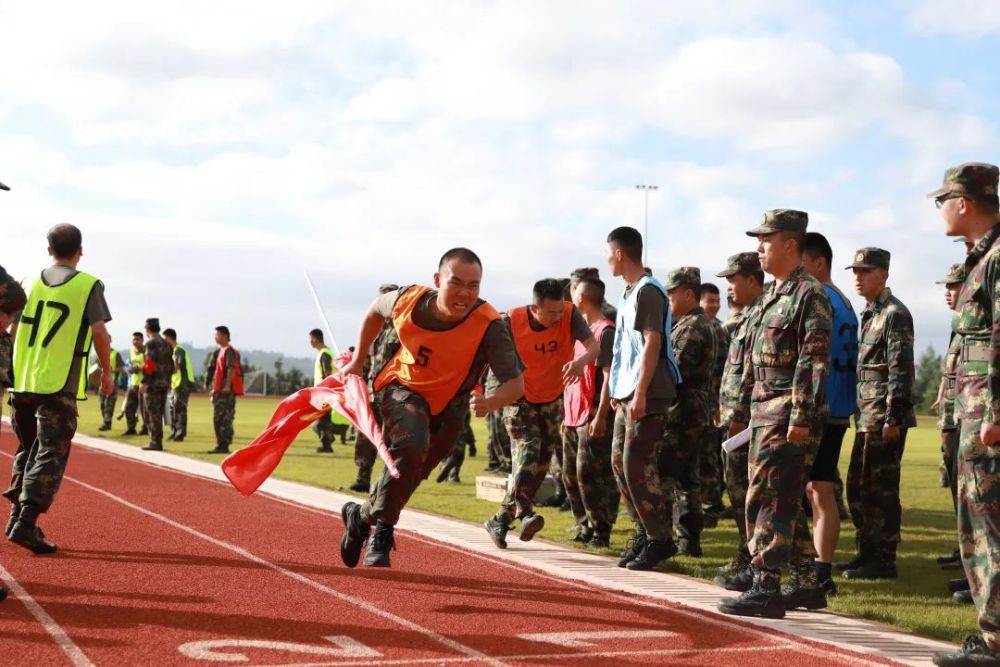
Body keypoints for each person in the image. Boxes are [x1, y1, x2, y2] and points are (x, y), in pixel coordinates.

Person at [339, 249, 524, 568]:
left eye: (474, 286)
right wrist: (357, 361)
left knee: (412, 472)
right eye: (456, 283)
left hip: (450, 405)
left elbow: (515, 384)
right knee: (410, 446)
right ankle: (384, 530)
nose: (465, 293)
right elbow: (374, 310)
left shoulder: (489, 324)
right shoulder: (407, 300)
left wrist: (490, 402)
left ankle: (361, 516)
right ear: (438, 281)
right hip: (401, 387)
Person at [718, 209, 831, 619]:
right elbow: (751, 358)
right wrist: (741, 407)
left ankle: (765, 584)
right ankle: (805, 582)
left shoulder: (809, 294)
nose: (759, 248)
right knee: (780, 495)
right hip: (764, 408)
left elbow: (813, 359)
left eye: (767, 240)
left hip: (787, 411)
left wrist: (800, 416)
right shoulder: (771, 294)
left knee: (769, 497)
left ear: (790, 244)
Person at [5, 224, 114, 554]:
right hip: (57, 382)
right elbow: (99, 333)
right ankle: (25, 522)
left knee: (28, 449)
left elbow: (9, 326)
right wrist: (107, 372)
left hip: (22, 379)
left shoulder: (27, 282)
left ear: (48, 250)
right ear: (80, 250)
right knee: (51, 453)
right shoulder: (87, 285)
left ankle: (15, 518)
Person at [929, 162, 1000, 667]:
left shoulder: (996, 258)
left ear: (964, 202)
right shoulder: (982, 258)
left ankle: (995, 641)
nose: (940, 210)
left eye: (943, 201)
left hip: (988, 419)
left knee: (985, 527)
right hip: (974, 414)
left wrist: (996, 412)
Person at [484, 278, 597, 546]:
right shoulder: (511, 321)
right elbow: (484, 358)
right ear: (535, 308)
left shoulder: (569, 315)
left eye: (560, 311)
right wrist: (484, 394)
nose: (557, 318)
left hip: (551, 397)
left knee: (541, 464)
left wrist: (581, 361)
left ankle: (500, 519)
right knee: (528, 449)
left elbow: (595, 346)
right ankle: (525, 513)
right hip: (518, 396)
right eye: (550, 314)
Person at [605, 227, 682, 572]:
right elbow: (626, 347)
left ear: (620, 253)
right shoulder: (628, 292)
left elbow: (653, 343)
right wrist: (617, 391)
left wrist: (639, 392)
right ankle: (644, 531)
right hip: (628, 390)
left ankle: (660, 539)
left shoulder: (649, 292)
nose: (607, 259)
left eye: (609, 252)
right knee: (620, 465)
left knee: (638, 464)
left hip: (649, 391)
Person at [837, 248, 915, 580]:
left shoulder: (895, 314)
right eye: (855, 271)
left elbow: (900, 369)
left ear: (883, 274)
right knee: (858, 486)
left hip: (884, 416)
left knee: (880, 489)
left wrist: (893, 417)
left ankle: (883, 559)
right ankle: (866, 550)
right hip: (867, 415)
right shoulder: (871, 313)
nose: (858, 277)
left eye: (865, 271)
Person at [801, 232, 859, 595]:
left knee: (817, 490)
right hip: (838, 404)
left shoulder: (822, 299)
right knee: (819, 489)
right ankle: (820, 568)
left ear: (818, 262)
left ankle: (818, 569)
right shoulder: (845, 301)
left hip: (822, 406)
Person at [714, 252, 765, 592]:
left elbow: (755, 373)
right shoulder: (747, 317)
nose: (729, 288)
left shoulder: (763, 315)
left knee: (752, 495)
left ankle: (756, 561)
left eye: (733, 280)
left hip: (750, 422)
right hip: (735, 420)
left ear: (751, 279)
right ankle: (746, 554)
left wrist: (740, 415)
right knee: (738, 492)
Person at [561, 276, 618, 547]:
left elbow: (608, 377)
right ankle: (583, 524)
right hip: (574, 413)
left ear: (581, 298)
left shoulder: (605, 332)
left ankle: (601, 529)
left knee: (590, 474)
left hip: (592, 411)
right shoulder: (582, 333)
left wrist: (601, 415)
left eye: (573, 293)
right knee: (569, 473)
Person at [664, 267, 717, 557]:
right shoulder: (691, 323)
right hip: (692, 410)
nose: (669, 300)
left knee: (667, 476)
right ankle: (687, 541)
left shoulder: (692, 327)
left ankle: (663, 540)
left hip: (682, 412)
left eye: (672, 294)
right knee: (687, 480)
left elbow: (677, 372)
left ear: (687, 293)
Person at [930, 264, 967, 571]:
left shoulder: (977, 326)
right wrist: (943, 394)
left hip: (968, 419)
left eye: (954, 286)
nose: (948, 292)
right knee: (956, 486)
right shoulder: (959, 327)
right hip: (952, 419)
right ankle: (965, 550)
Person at [350, 283, 399, 493]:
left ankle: (387, 482)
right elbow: (365, 363)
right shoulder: (373, 330)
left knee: (391, 440)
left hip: (394, 394)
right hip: (371, 394)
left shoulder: (402, 330)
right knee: (365, 436)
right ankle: (362, 476)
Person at [700, 282, 729, 523]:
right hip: (703, 399)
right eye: (710, 301)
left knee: (710, 453)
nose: (715, 305)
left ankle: (713, 502)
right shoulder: (699, 327)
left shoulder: (720, 330)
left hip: (716, 400)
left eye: (717, 301)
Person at [140, 318, 174, 451]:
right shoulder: (167, 344)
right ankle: (157, 440)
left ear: (148, 329)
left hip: (153, 384)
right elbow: (171, 366)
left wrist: (144, 382)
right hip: (164, 383)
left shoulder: (151, 343)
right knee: (159, 412)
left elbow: (149, 364)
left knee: (152, 413)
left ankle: (155, 441)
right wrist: (168, 379)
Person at [210, 325, 244, 454]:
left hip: (226, 392)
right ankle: (222, 443)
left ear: (225, 336)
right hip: (220, 390)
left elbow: (231, 369)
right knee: (220, 417)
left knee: (223, 418)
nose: (215, 337)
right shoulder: (222, 350)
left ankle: (224, 444)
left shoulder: (228, 351)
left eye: (217, 334)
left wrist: (227, 386)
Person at [310, 328, 338, 453]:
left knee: (320, 421)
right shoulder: (325, 352)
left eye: (310, 339)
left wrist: (325, 391)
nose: (310, 342)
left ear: (315, 339)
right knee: (321, 420)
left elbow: (327, 373)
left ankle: (328, 443)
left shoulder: (324, 354)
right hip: (322, 392)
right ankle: (328, 439)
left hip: (324, 393)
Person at [164, 328, 195, 442]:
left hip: (183, 384)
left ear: (169, 338)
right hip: (176, 384)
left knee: (180, 408)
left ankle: (180, 433)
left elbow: (176, 367)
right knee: (173, 408)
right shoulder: (173, 351)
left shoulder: (179, 350)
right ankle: (174, 431)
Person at [97, 337, 125, 431]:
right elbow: (96, 368)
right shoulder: (99, 352)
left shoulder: (116, 354)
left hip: (112, 384)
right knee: (102, 404)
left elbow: (121, 368)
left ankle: (107, 423)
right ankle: (105, 422)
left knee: (109, 404)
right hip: (102, 384)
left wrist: (109, 371)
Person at [122, 331, 145, 435]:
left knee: (145, 409)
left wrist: (139, 368)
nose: (135, 341)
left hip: (144, 384)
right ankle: (131, 428)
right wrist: (129, 369)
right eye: (133, 339)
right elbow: (129, 364)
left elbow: (152, 365)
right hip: (133, 384)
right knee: (128, 407)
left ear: (142, 340)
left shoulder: (147, 351)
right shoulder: (131, 351)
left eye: (137, 339)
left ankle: (146, 429)